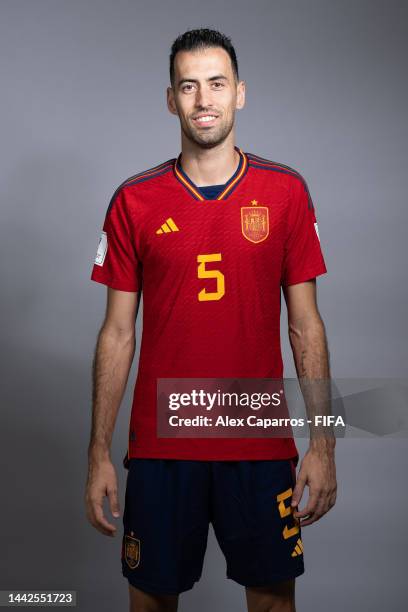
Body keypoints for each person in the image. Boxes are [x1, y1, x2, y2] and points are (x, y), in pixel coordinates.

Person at [85, 28, 337, 612]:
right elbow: (117, 334)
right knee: (150, 603)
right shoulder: (134, 201)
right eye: (189, 86)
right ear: (171, 99)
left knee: (274, 603)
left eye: (217, 84)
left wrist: (324, 443)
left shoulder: (286, 193)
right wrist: (97, 450)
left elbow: (308, 329)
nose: (204, 100)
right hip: (161, 448)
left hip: (258, 441)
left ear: (240, 94)